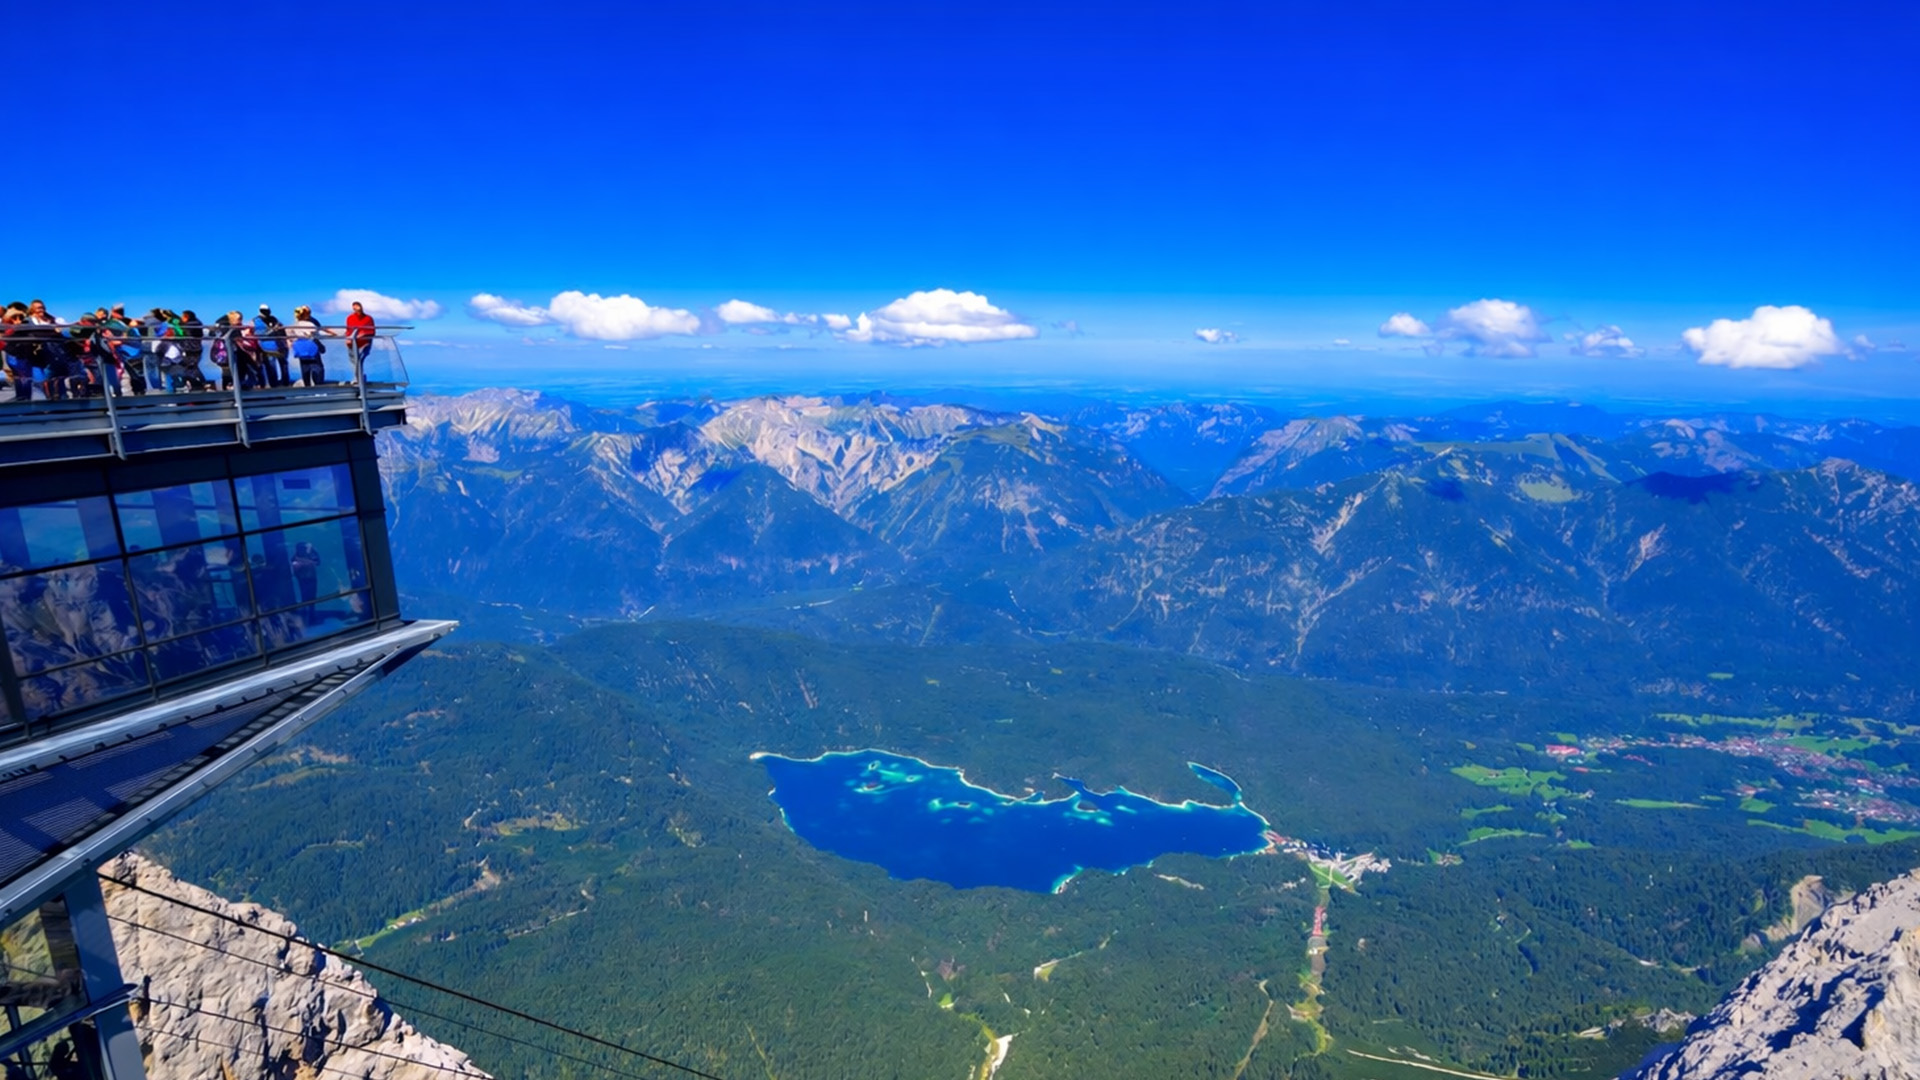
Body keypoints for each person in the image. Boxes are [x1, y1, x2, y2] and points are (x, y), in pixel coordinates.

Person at [288, 305, 328, 386]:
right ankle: (318, 385)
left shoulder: (296, 324)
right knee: (316, 368)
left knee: (306, 367)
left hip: (302, 348)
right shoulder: (311, 323)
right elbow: (317, 334)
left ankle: (308, 385)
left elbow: (290, 334)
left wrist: (293, 343)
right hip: (311, 347)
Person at [254, 304, 288, 386]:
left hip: (279, 346)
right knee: (271, 368)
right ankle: (274, 385)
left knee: (284, 365)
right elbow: (259, 335)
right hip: (267, 348)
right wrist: (272, 330)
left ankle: (285, 383)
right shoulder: (256, 321)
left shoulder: (274, 319)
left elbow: (282, 330)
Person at [345, 299, 376, 369]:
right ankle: (357, 377)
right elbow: (348, 330)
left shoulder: (368, 318)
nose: (356, 310)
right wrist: (347, 339)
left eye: (357, 307)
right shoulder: (350, 318)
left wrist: (364, 334)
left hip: (364, 343)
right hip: (352, 343)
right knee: (353, 361)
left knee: (360, 360)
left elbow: (372, 331)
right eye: (354, 308)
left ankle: (359, 377)